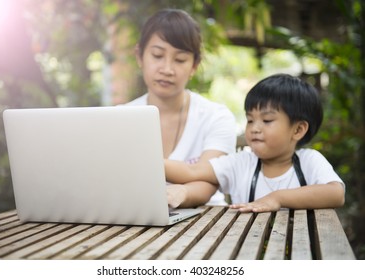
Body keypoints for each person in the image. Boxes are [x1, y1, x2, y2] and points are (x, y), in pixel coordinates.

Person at [165, 73, 345, 212]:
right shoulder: (241, 163)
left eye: (267, 120)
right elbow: (192, 171)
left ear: (298, 130)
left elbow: (336, 193)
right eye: (250, 120)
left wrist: (277, 198)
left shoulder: (309, 161)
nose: (254, 128)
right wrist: (149, 161)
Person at [126, 9, 237, 205]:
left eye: (180, 60)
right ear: (139, 56)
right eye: (157, 55)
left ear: (194, 65)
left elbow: (211, 179)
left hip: (209, 222)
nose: (167, 69)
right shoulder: (121, 118)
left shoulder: (215, 117)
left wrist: (183, 192)